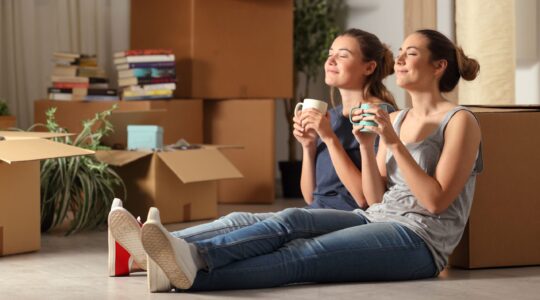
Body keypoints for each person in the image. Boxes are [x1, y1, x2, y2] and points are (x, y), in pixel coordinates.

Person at [137, 28, 483, 292]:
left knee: (302, 256)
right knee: (289, 219)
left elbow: (436, 201)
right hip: (375, 218)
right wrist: (366, 144)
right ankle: (182, 251)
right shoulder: (396, 119)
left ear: (438, 66)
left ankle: (188, 273)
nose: (402, 60)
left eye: (411, 53)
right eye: (402, 53)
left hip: (419, 241)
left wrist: (392, 145)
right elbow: (375, 199)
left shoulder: (460, 121)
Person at [108, 28, 396, 283]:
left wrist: (328, 138)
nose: (330, 60)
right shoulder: (330, 116)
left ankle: (165, 251)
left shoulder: (378, 116)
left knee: (279, 223)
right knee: (240, 219)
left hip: (351, 219)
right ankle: (145, 245)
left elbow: (366, 200)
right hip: (316, 211)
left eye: (342, 55)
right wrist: (309, 147)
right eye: (330, 53)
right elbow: (312, 196)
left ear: (369, 67)